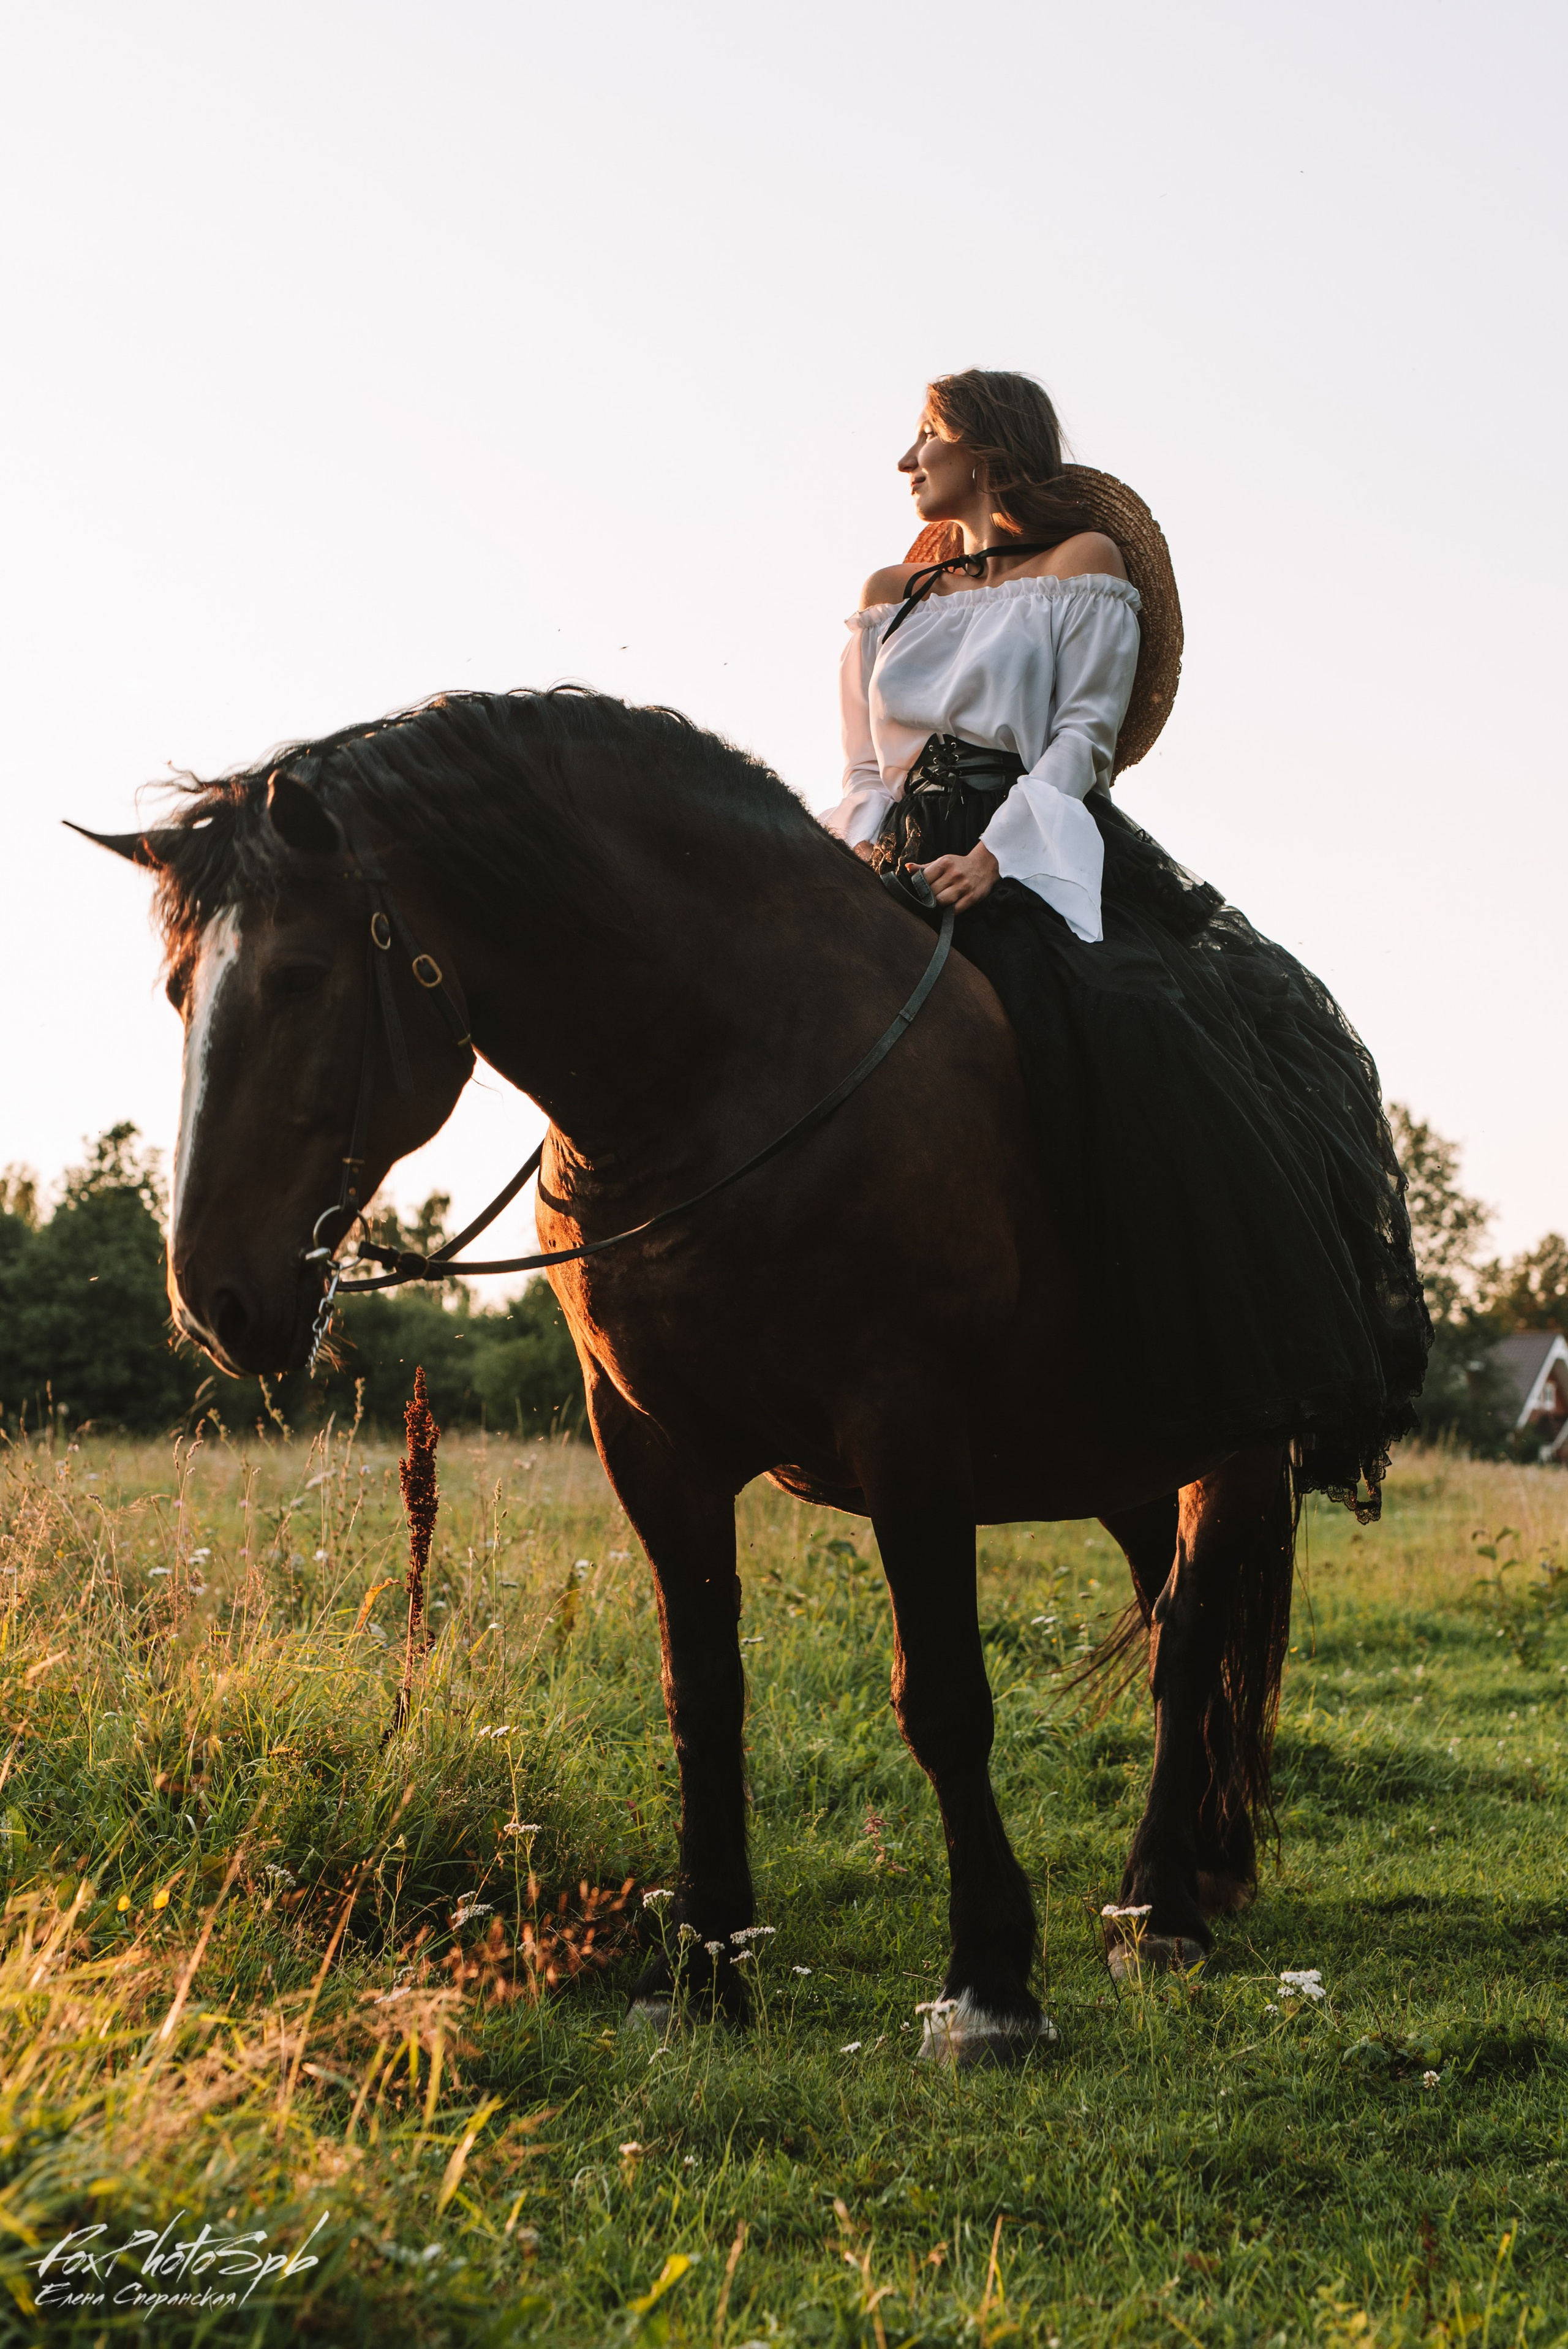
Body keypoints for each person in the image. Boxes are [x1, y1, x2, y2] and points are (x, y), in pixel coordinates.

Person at [820, 368, 1430, 1518]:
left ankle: (1133, 1350)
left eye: (928, 437)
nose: (907, 462)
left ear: (987, 450)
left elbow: (1081, 741)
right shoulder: (889, 593)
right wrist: (856, 862)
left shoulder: (1083, 567)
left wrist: (995, 859)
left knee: (1135, 1025)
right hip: (892, 857)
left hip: (1029, 845)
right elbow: (862, 765)